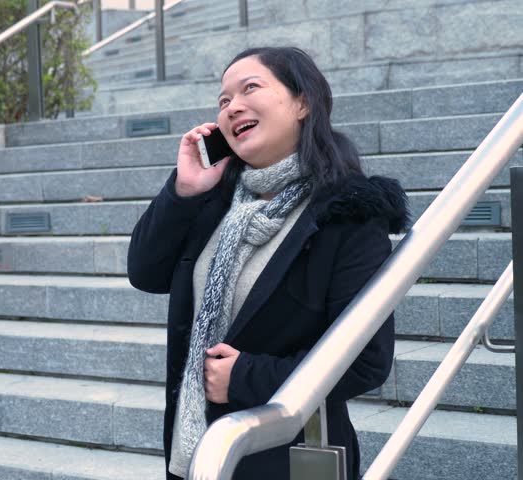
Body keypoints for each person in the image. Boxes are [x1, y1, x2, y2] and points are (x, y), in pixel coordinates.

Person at [126, 46, 409, 479]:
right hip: (202, 452)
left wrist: (245, 376)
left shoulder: (348, 214)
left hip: (292, 454)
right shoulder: (216, 202)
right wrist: (185, 189)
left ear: (303, 102)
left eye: (250, 88)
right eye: (223, 100)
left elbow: (366, 361)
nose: (232, 106)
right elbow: (146, 272)